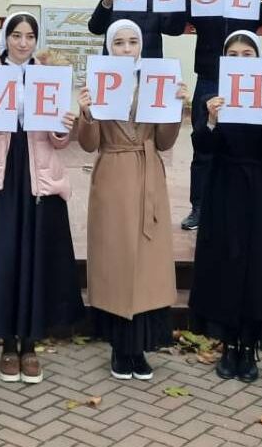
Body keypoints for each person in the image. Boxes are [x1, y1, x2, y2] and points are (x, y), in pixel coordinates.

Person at [0, 12, 84, 384]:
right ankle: (6, 344)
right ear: (6, 37)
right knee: (5, 258)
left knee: (36, 259)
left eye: (30, 36)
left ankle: (30, 345)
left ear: (37, 39)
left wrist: (65, 125)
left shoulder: (48, 74)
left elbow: (60, 141)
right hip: (3, 177)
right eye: (16, 35)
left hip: (40, 178)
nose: (23, 43)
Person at [74, 20, 187, 381]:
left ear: (142, 46)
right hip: (112, 174)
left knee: (146, 262)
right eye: (119, 42)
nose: (126, 48)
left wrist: (178, 108)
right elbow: (89, 144)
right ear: (109, 47)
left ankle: (141, 347)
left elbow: (166, 142)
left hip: (148, 173)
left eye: (132, 41)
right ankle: (120, 348)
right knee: (116, 260)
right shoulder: (98, 84)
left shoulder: (157, 82)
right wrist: (87, 114)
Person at [188, 31, 262, 383]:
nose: (240, 59)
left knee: (256, 265)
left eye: (247, 53)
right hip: (221, 188)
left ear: (258, 57)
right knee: (225, 262)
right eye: (232, 53)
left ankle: (250, 347)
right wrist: (212, 120)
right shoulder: (211, 96)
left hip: (259, 190)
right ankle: (228, 344)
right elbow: (203, 147)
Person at [182, 0, 262, 231]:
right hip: (209, 79)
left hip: (246, 80)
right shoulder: (205, 7)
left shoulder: (248, 10)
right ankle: (199, 207)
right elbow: (178, 16)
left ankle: (241, 199)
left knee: (246, 141)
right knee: (203, 140)